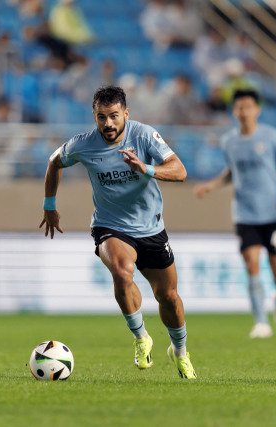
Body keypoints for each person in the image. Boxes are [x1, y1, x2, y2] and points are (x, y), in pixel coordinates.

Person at [40, 85, 196, 379]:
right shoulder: (83, 144)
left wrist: (147, 169)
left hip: (151, 227)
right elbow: (54, 162)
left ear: (126, 113)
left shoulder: (144, 135)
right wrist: (49, 205)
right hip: (109, 225)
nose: (108, 124)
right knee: (123, 272)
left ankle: (180, 351)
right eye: (101, 117)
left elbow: (180, 170)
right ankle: (141, 337)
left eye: (113, 116)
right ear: (94, 116)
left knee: (169, 297)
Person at [193, 89, 276, 339]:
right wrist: (211, 185)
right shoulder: (228, 141)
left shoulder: (272, 137)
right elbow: (232, 171)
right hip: (245, 215)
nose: (244, 111)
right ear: (234, 111)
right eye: (239, 107)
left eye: (248, 106)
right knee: (252, 265)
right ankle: (261, 322)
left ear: (257, 110)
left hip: (274, 215)